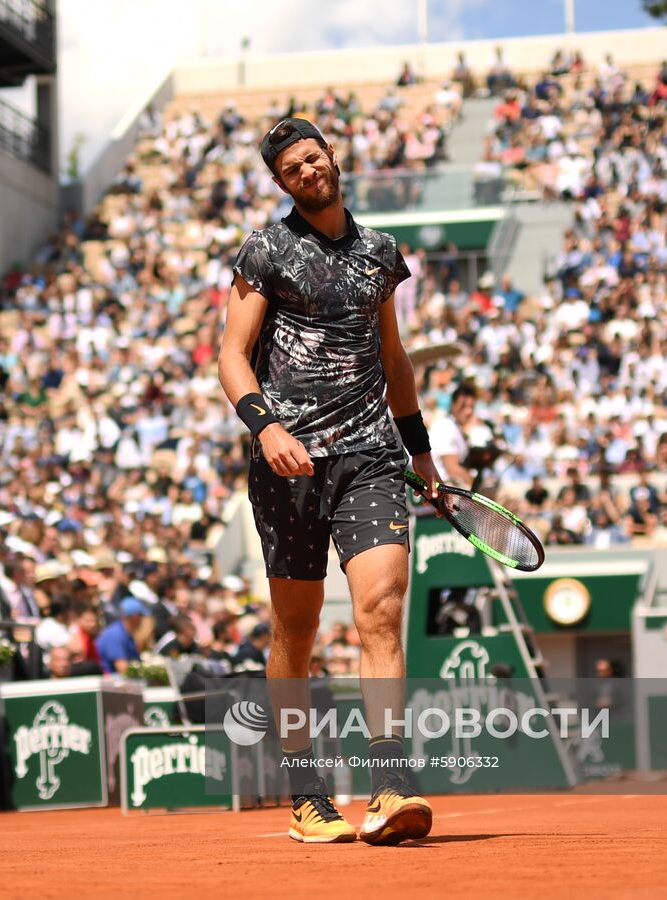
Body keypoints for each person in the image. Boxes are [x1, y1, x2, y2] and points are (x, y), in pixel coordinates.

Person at [220, 117, 436, 845]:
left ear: (332, 156)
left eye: (311, 156)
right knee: (298, 627)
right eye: (290, 168)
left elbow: (394, 357)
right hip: (288, 463)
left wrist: (423, 455)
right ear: (282, 183)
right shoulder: (267, 249)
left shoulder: (380, 253)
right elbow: (230, 354)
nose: (306, 170)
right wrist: (266, 426)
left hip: (371, 455)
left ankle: (390, 785)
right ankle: (307, 793)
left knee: (380, 605)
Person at [95, 598, 146, 674]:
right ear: (135, 617)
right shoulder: (115, 634)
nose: (143, 619)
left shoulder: (125, 633)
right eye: (142, 615)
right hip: (111, 683)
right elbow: (122, 668)